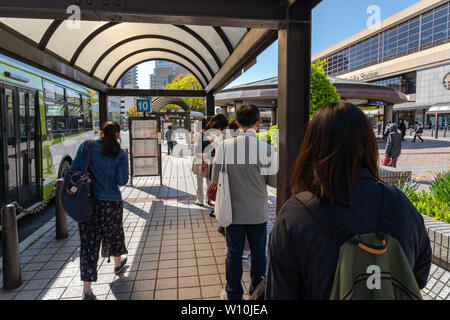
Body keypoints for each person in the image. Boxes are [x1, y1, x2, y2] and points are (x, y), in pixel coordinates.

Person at [265, 102, 431, 300]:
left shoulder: (295, 213)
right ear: (368, 143)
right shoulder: (401, 203)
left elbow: (279, 292)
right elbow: (419, 276)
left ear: (312, 145)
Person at [212, 104, 277, 300]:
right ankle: (257, 291)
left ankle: (232, 292)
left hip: (233, 212)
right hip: (257, 212)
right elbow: (273, 181)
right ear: (258, 123)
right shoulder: (266, 148)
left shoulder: (224, 146)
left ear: (237, 123)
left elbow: (215, 178)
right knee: (259, 252)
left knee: (233, 252)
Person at [71, 121, 129, 300]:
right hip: (111, 203)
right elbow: (122, 180)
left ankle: (87, 290)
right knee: (114, 233)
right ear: (117, 134)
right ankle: (118, 265)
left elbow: (74, 171)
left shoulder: (86, 147)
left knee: (88, 244)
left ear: (101, 132)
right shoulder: (119, 153)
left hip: (88, 203)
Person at [194, 118, 211, 207]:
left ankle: (200, 201)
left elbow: (197, 150)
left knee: (199, 182)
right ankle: (208, 199)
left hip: (200, 160)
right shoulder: (209, 135)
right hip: (209, 160)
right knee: (209, 181)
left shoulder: (200, 136)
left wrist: (201, 162)